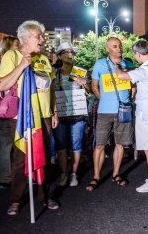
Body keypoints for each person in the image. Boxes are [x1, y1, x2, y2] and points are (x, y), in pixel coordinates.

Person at [0, 20, 59, 215]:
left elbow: (51, 88)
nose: (42, 39)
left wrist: (54, 111)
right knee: (20, 159)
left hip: (44, 116)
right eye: (37, 36)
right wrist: (22, 65)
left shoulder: (44, 59)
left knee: (45, 157)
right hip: (22, 116)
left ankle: (44, 196)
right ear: (25, 38)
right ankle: (16, 199)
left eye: (42, 35)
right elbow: (1, 85)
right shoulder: (11, 56)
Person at [115, 40, 148, 193]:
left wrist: (117, 65)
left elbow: (121, 76)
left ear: (138, 54)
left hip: (145, 110)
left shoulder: (145, 69)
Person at [87, 37, 134, 191]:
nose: (118, 48)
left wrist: (130, 97)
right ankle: (96, 176)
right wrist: (105, 99)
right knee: (100, 144)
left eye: (119, 45)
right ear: (108, 49)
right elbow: (94, 86)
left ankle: (116, 174)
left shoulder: (128, 63)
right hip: (104, 111)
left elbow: (134, 84)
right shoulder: (100, 64)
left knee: (120, 144)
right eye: (114, 46)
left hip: (124, 110)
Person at [53, 42, 89, 187]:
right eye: (67, 52)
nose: (71, 55)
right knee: (61, 145)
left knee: (76, 144)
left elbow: (90, 91)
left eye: (73, 52)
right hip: (60, 114)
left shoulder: (80, 71)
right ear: (60, 55)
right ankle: (63, 173)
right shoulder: (53, 73)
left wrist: (84, 84)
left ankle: (73, 174)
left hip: (77, 115)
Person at [0, 35, 20, 189]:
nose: (19, 46)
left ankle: (12, 177)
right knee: (6, 145)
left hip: (15, 108)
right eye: (17, 44)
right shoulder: (0, 64)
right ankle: (5, 178)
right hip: (5, 110)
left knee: (14, 145)